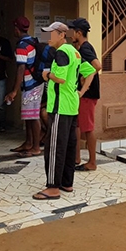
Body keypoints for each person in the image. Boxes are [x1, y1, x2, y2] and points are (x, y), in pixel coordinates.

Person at [33, 22, 96, 200]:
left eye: (51, 34)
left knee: (54, 147)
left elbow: (59, 78)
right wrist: (81, 92)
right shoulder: (74, 52)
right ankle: (66, 183)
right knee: (68, 146)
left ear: (62, 35)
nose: (48, 38)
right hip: (71, 105)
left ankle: (52, 187)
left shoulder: (62, 52)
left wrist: (47, 75)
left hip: (60, 106)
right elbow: (91, 71)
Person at [4, 17, 44, 157]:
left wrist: (14, 90)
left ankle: (36, 147)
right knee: (29, 116)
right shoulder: (32, 40)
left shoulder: (21, 45)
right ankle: (28, 143)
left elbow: (21, 68)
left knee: (33, 116)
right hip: (34, 83)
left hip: (30, 84)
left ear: (16, 28)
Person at [68, 18, 102, 171]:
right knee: (79, 125)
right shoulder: (82, 48)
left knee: (88, 128)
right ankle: (76, 157)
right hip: (85, 93)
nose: (70, 34)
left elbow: (97, 66)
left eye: (72, 31)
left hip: (88, 94)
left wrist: (84, 81)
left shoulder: (85, 49)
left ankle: (92, 162)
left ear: (79, 33)